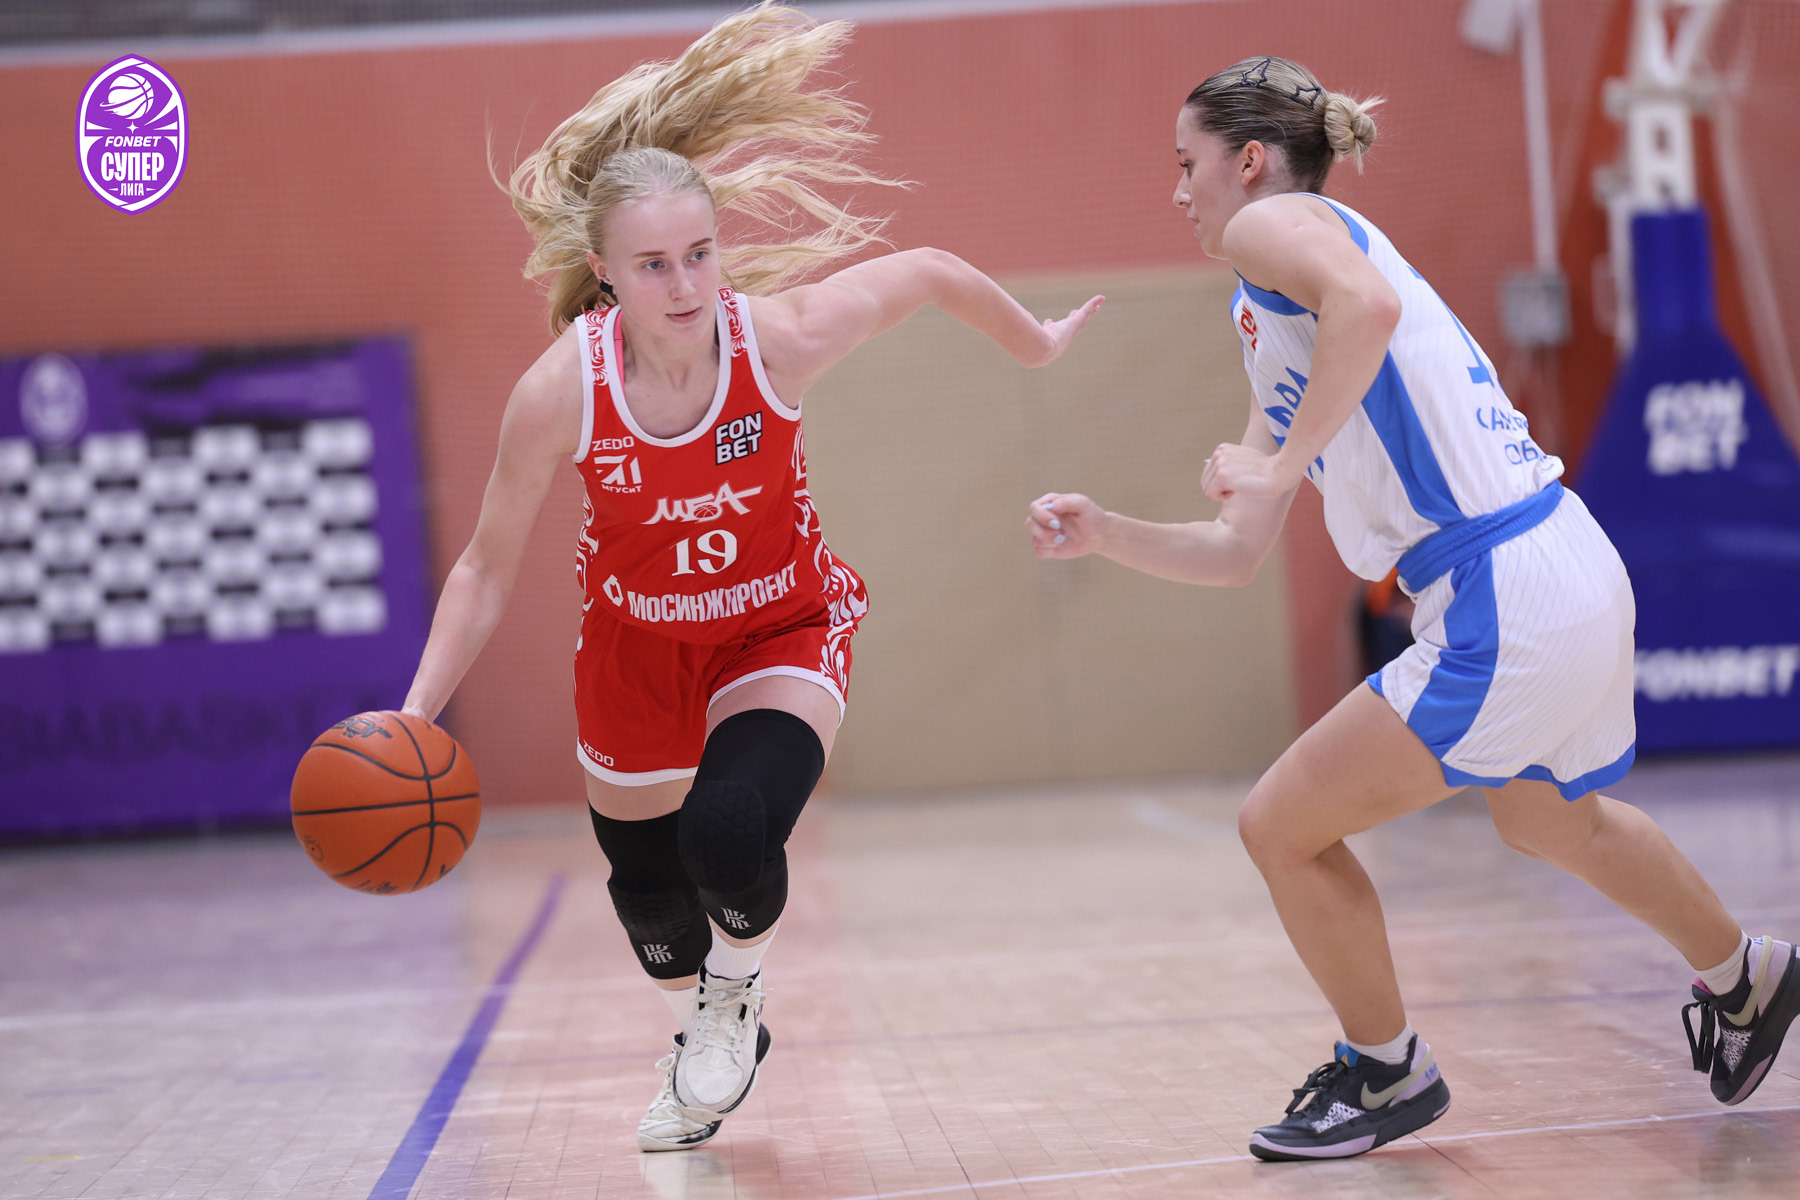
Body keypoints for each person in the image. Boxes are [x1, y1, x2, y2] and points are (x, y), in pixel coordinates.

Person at [1026, 55, 1796, 1162]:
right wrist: (1108, 531)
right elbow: (1236, 551)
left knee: (1280, 827)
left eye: (1187, 164)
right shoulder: (1278, 307)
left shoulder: (1279, 229)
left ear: (1252, 163)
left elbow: (1369, 309)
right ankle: (1747, 977)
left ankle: (1387, 1070)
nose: (1178, 189)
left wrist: (1280, 463)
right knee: (1551, 820)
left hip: (1501, 589)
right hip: (1562, 558)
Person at [399, 2, 1100, 1154]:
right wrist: (417, 711)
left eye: (700, 254)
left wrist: (1036, 343)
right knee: (651, 906)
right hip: (634, 652)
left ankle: (732, 1002)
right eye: (653, 265)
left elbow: (927, 271)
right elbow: (483, 565)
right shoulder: (560, 393)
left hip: (779, 630)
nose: (684, 285)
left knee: (729, 831)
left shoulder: (776, 340)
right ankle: (710, 1015)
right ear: (603, 272)